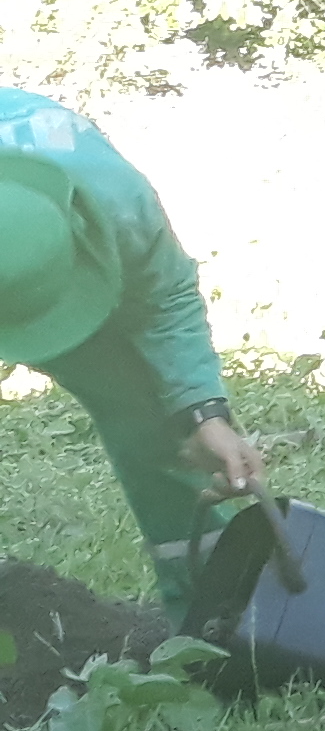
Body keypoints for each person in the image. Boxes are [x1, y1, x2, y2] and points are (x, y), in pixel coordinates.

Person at [0, 88, 271, 609]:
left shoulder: (119, 207)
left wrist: (204, 413)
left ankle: (206, 611)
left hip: (74, 261)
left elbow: (166, 297)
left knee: (157, 421)